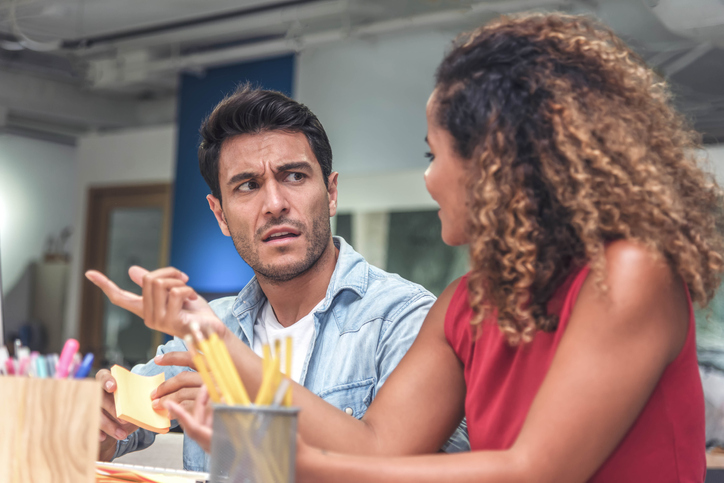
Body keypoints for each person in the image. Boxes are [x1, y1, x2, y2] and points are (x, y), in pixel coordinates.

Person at [164, 12, 724, 482]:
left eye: (435, 155)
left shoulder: (629, 272)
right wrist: (220, 349)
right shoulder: (465, 303)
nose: (428, 180)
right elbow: (380, 447)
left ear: (498, 161)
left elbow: (533, 471)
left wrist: (294, 458)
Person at [86, 86, 469, 472]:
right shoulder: (209, 326)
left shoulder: (403, 320)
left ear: (331, 193)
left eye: (294, 176)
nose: (274, 204)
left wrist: (244, 419)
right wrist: (99, 420)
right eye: (248, 186)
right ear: (220, 214)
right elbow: (107, 439)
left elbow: (410, 469)